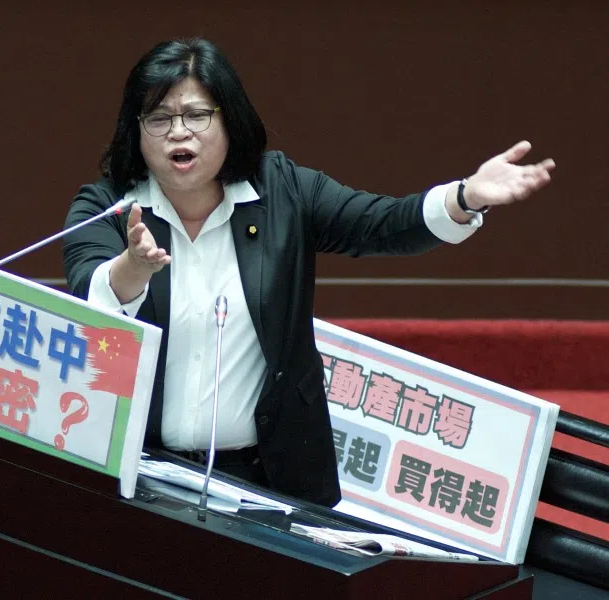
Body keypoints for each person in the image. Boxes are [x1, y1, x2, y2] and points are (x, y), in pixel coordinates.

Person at [61, 37, 555, 507]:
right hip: (142, 475)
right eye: (159, 117)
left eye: (196, 115)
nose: (178, 132)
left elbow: (381, 224)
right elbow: (89, 293)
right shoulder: (108, 207)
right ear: (137, 129)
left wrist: (465, 196)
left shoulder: (284, 192)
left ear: (229, 120)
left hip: (270, 479)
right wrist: (134, 267)